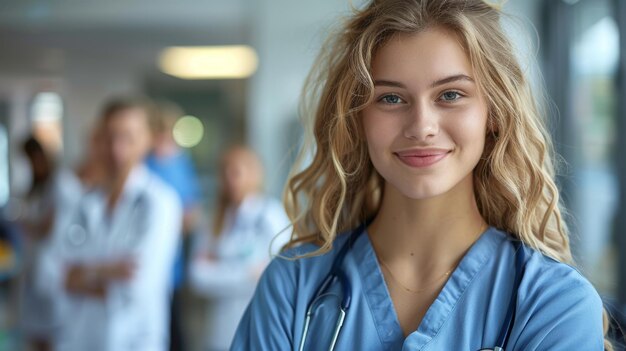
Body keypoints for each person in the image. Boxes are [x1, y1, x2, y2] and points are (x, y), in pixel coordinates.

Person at [231, 0, 612, 350]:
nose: (421, 126)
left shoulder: (553, 303)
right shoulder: (293, 286)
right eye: (391, 98)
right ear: (357, 118)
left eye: (450, 95)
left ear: (493, 113)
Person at [39, 97, 183, 351]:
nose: (117, 149)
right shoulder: (82, 202)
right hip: (79, 340)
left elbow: (138, 287)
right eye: (110, 137)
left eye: (129, 138)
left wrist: (77, 276)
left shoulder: (161, 203)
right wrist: (108, 272)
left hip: (133, 341)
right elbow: (46, 274)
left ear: (148, 140)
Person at [189, 146, 289, 351]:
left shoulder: (270, 214)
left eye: (235, 171)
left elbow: (278, 272)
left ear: (254, 174)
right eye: (224, 172)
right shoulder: (213, 220)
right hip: (219, 332)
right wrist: (247, 271)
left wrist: (219, 264)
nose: (229, 178)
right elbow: (197, 276)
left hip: (259, 328)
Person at [145, 101, 202, 351]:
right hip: (144, 254)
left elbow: (192, 212)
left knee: (172, 320)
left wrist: (169, 227)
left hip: (171, 255)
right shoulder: (144, 163)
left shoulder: (180, 163)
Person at [18, 136, 80, 351]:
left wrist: (33, 227)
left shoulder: (62, 183)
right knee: (37, 331)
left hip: (55, 266)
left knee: (56, 333)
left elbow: (53, 227)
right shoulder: (40, 186)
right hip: (37, 266)